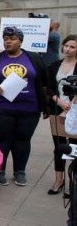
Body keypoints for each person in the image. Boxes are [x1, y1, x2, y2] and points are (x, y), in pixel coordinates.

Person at [0, 26, 48, 187]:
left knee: (23, 140)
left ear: (20, 41)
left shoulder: (34, 58)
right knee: (1, 140)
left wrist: (46, 105)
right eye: (6, 39)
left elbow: (44, 82)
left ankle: (20, 171)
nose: (8, 42)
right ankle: (0, 170)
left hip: (29, 109)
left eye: (12, 39)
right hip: (1, 108)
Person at [46, 34, 77, 195]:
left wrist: (71, 105)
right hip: (57, 109)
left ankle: (73, 181)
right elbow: (49, 87)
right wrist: (59, 101)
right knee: (58, 146)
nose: (68, 49)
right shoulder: (54, 65)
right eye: (66, 46)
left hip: (75, 111)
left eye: (72, 47)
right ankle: (58, 180)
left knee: (73, 147)